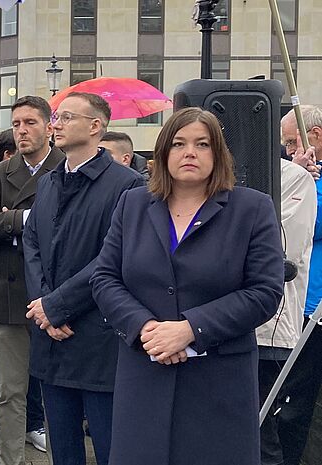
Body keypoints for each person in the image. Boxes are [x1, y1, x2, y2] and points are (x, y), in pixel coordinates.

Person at [90, 107, 284, 464]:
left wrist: (190, 329)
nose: (189, 152)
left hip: (219, 385)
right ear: (163, 153)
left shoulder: (252, 209)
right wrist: (145, 327)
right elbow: (105, 277)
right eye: (178, 143)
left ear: (219, 154)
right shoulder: (132, 204)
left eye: (202, 144)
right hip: (145, 375)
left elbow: (265, 291)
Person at [23, 92, 144, 465]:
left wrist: (58, 306)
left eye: (66, 117)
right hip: (51, 339)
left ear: (95, 127)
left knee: (110, 446)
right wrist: (44, 306)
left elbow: (114, 257)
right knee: (63, 447)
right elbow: (32, 245)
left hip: (96, 337)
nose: (55, 123)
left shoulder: (127, 185)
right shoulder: (47, 183)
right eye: (56, 116)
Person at [0, 96, 63, 465]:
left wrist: (11, 219)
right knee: (10, 391)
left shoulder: (67, 169)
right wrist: (28, 221)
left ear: (49, 126)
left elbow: (71, 230)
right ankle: (11, 459)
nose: (22, 130)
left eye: (30, 122)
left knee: (59, 390)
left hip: (58, 295)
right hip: (8, 297)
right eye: (16, 124)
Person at [269, 105, 322, 465]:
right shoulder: (297, 174)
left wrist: (302, 183)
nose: (288, 150)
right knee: (293, 401)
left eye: (291, 142)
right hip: (305, 307)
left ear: (314, 137)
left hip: (314, 305)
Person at [258, 158, 316, 465]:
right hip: (217, 326)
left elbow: (283, 249)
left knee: (268, 421)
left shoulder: (296, 178)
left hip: (273, 325)